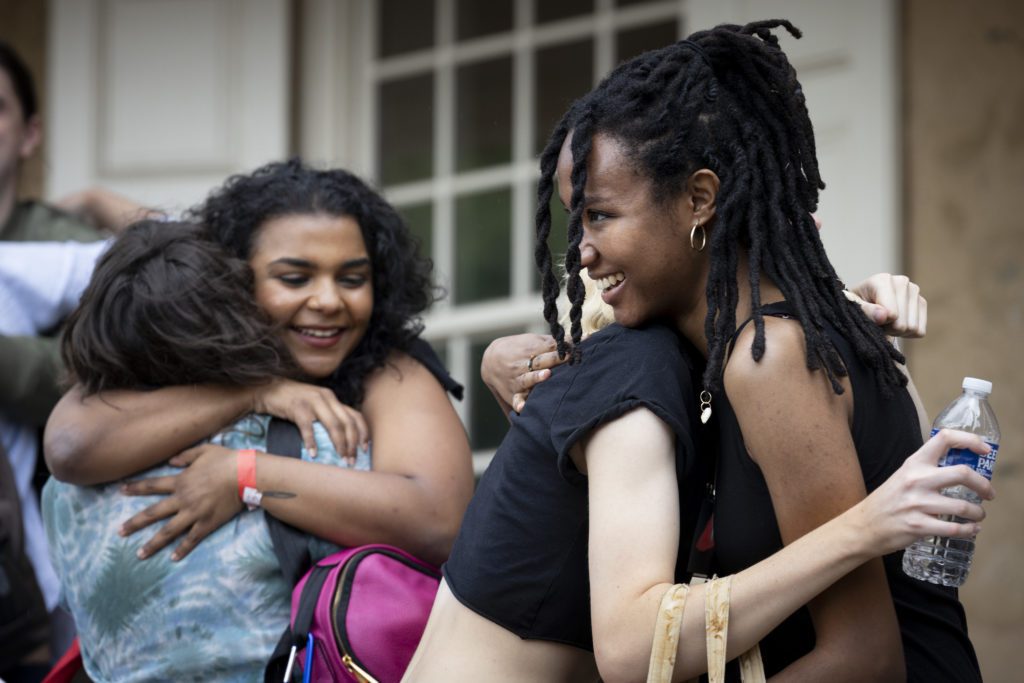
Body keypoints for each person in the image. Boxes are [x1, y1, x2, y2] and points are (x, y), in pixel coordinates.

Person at [404, 21, 989, 682]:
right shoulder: (757, 347)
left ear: (699, 200)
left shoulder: (771, 358)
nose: (581, 252)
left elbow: (865, 658)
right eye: (575, 221)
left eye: (599, 215)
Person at [42, 161, 474, 681]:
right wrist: (254, 392)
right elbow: (70, 446)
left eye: (352, 279)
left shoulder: (390, 370)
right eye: (295, 278)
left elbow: (436, 521)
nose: (328, 300)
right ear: (232, 277)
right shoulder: (184, 360)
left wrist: (245, 475)